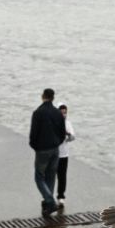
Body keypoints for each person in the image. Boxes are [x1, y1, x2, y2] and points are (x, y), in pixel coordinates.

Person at [29, 88, 66, 217]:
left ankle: (50, 201)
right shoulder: (57, 113)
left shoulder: (38, 113)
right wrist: (57, 143)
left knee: (39, 176)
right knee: (51, 176)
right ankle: (47, 204)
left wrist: (34, 146)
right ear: (53, 98)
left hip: (42, 149)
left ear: (43, 96)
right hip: (55, 148)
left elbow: (33, 133)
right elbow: (62, 132)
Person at [55, 102, 76, 209]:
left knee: (62, 176)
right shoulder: (53, 123)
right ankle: (48, 197)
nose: (64, 115)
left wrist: (68, 135)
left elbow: (73, 137)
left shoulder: (68, 123)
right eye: (62, 113)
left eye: (65, 113)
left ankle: (61, 196)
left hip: (64, 154)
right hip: (53, 154)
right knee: (51, 176)